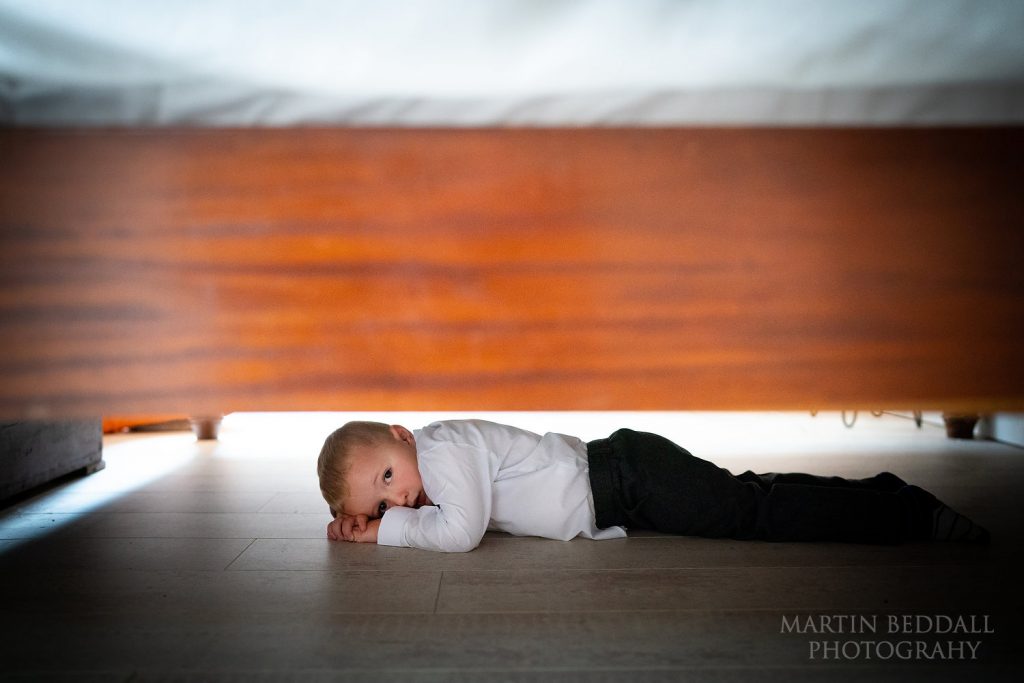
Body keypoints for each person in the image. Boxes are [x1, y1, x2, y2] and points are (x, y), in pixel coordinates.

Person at [317, 419, 989, 552]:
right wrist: (381, 519)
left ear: (402, 436)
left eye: (386, 479)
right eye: (380, 503)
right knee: (748, 496)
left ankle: (908, 517)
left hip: (629, 476)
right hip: (627, 485)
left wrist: (380, 534)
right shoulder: (427, 469)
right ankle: (882, 491)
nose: (398, 499)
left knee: (749, 514)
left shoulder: (441, 448)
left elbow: (461, 534)